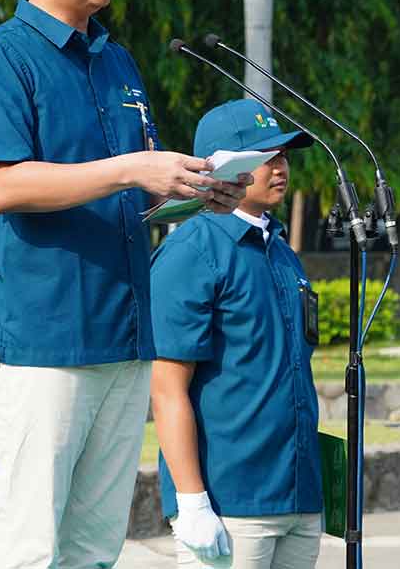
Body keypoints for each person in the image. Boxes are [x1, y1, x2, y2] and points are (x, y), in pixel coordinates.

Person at [0, 0, 248, 569]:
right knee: (31, 548)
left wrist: (186, 192)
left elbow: (129, 192)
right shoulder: (0, 59)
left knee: (94, 550)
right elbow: (4, 185)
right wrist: (129, 169)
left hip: (122, 336)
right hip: (41, 339)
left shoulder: (117, 62)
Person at [150, 99, 324, 569]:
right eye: (265, 157)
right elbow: (167, 388)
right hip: (232, 501)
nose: (280, 168)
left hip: (298, 492)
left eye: (283, 156)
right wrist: (192, 502)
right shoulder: (192, 250)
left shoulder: (282, 251)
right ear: (223, 167)